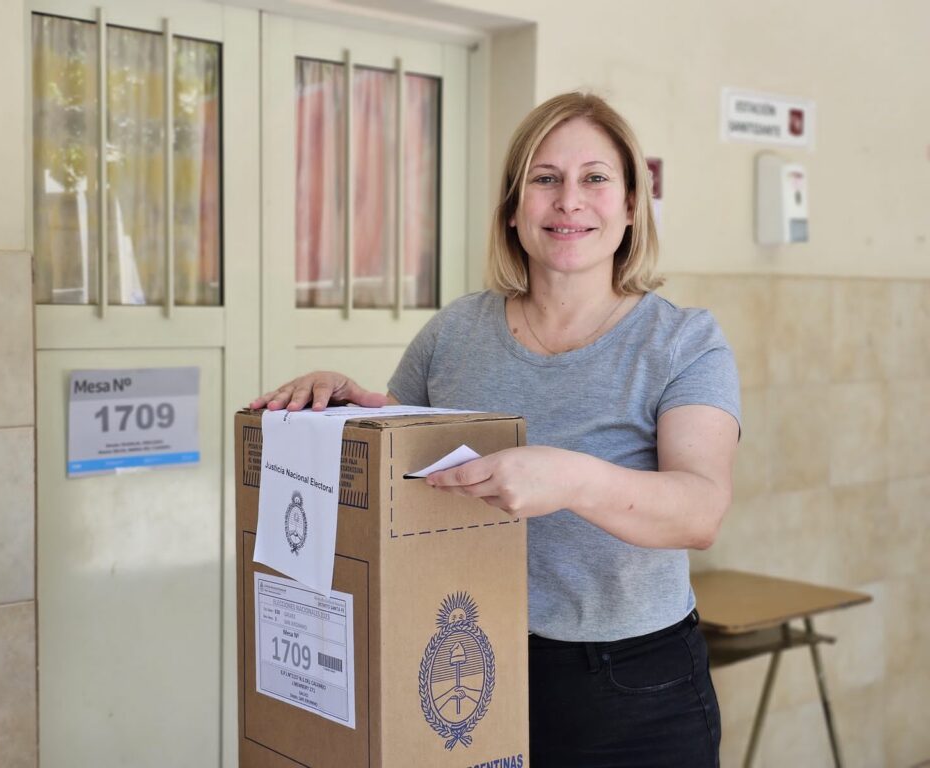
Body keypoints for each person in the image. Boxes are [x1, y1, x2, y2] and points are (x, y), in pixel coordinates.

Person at [250, 91, 740, 767]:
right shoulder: (454, 332)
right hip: (462, 667)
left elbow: (701, 510)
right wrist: (345, 411)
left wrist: (570, 480)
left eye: (595, 178)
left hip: (631, 691)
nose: (569, 201)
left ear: (632, 206)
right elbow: (401, 468)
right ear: (514, 209)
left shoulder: (685, 342)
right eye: (545, 179)